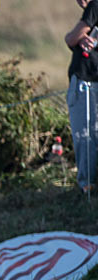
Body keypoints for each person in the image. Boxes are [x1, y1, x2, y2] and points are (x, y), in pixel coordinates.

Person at [65, 0, 98, 195]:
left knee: (85, 135)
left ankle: (87, 187)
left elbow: (71, 38)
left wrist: (74, 37)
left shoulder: (95, 6)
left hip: (86, 80)